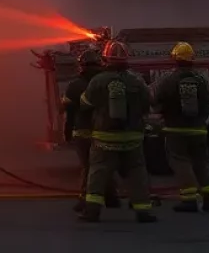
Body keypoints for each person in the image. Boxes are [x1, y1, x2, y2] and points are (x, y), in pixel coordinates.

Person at [78, 40, 156, 224]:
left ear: (105, 59)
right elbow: (148, 103)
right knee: (137, 173)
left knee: (98, 173)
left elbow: (85, 103)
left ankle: (92, 212)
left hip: (105, 137)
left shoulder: (99, 80)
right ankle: (143, 211)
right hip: (133, 138)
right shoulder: (136, 80)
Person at [150, 42, 209, 213]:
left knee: (181, 162)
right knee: (201, 161)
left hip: (175, 129)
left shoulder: (168, 79)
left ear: (175, 59)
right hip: (199, 129)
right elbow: (208, 103)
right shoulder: (201, 79)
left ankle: (189, 199)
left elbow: (156, 100)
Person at [61, 47, 119, 213]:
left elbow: (69, 111)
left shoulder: (74, 85)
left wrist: (67, 132)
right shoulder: (106, 82)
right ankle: (111, 196)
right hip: (105, 131)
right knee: (105, 164)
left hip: (83, 132)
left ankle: (85, 200)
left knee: (89, 167)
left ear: (81, 66)